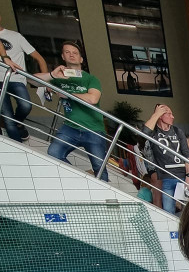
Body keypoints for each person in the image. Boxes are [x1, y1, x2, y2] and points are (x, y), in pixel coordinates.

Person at [39, 42, 109, 181]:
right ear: (62, 56)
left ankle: (106, 200)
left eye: (75, 53)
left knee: (99, 168)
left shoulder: (90, 79)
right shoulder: (58, 78)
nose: (71, 54)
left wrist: (68, 94)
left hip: (93, 129)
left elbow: (93, 98)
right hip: (70, 126)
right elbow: (31, 80)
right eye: (67, 52)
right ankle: (83, 181)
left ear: (81, 59)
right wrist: (52, 75)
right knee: (54, 153)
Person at [0, 13, 48, 142]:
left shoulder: (15, 36)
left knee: (26, 106)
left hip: (17, 79)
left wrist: (46, 84)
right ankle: (19, 145)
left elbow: (40, 59)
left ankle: (19, 123)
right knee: (8, 120)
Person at [141, 104, 189, 214]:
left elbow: (187, 154)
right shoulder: (154, 132)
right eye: (169, 114)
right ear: (160, 115)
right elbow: (144, 134)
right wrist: (156, 114)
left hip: (182, 175)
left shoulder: (177, 131)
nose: (172, 117)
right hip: (166, 176)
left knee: (187, 211)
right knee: (168, 210)